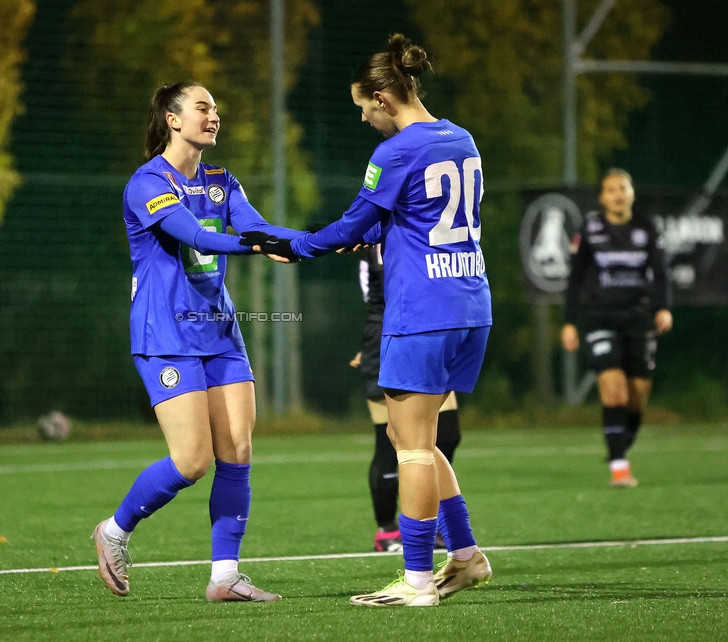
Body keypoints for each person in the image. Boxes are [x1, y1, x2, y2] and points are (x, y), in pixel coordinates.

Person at [243, 33, 492, 607]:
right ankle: (466, 557)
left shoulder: (397, 151)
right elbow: (427, 217)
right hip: (469, 305)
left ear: (383, 97)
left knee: (407, 447)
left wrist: (298, 246)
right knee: (425, 444)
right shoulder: (461, 138)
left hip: (420, 311)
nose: (364, 119)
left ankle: (418, 581)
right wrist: (378, 232)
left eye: (362, 107)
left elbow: (353, 223)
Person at [92, 81, 300, 603]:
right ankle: (114, 530)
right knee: (191, 461)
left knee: (238, 451)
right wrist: (259, 245)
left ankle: (224, 576)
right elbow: (197, 236)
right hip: (166, 336)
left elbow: (256, 226)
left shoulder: (220, 180)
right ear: (172, 117)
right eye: (203, 108)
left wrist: (313, 241)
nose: (214, 117)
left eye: (216, 109)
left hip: (220, 332)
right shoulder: (146, 183)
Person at [561, 168, 672, 488]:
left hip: (638, 318)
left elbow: (661, 273)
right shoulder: (591, 229)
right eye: (611, 189)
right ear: (602, 197)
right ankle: (620, 468)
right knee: (615, 393)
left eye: (623, 188)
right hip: (599, 318)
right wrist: (569, 322)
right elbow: (575, 279)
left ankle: (619, 447)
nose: (618, 194)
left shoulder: (646, 228)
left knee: (636, 399)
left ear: (632, 193)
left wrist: (663, 307)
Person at [351, 244, 462, 553]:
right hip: (386, 336)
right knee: (393, 440)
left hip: (428, 334)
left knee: (447, 435)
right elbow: (369, 296)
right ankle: (387, 530)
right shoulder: (372, 235)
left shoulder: (426, 227)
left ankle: (434, 520)